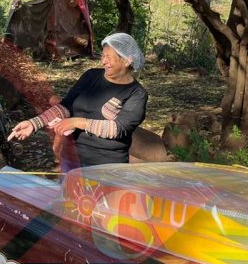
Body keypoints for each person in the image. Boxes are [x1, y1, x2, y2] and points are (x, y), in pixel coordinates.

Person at [9, 33, 148, 167]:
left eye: (109, 57)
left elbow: (118, 129)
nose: (104, 61)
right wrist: (33, 123)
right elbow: (65, 107)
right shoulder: (90, 76)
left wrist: (77, 122)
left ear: (127, 60)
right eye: (103, 56)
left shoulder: (136, 93)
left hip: (106, 166)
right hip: (72, 158)